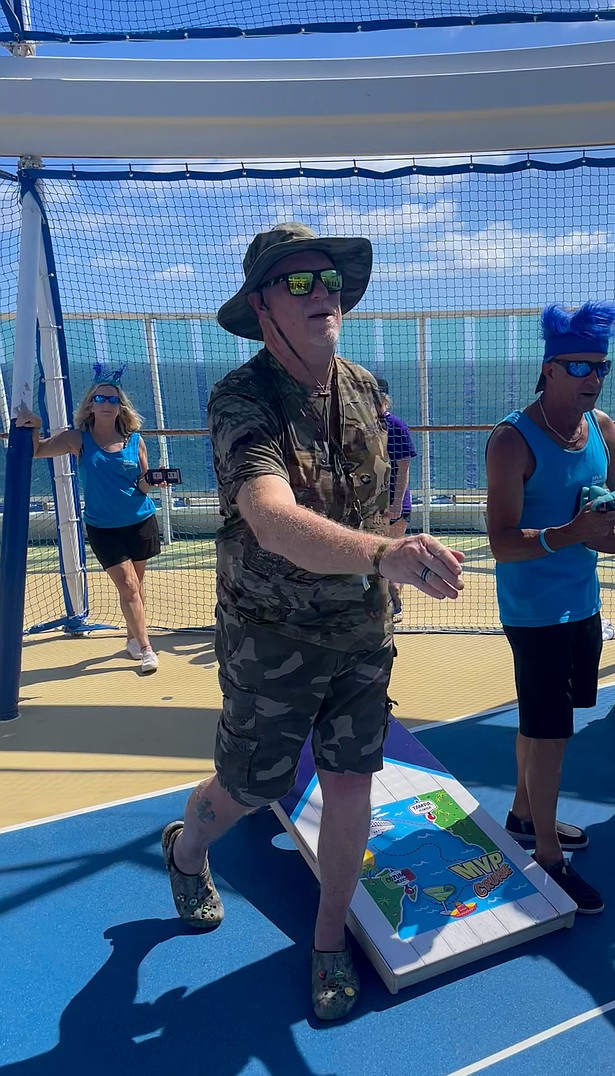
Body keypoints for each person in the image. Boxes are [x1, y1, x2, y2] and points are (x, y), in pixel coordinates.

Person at [159, 222, 464, 1022]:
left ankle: (329, 940)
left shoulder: (367, 388)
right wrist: (384, 554)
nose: (321, 292)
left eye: (327, 278)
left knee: (351, 781)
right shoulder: (240, 400)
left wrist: (402, 545)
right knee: (250, 787)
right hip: (273, 636)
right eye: (297, 283)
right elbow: (267, 515)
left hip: (363, 632)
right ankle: (187, 848)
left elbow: (381, 496)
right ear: (261, 306)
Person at [486, 301, 615, 914]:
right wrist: (569, 533)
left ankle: (524, 815)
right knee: (552, 735)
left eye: (599, 365)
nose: (591, 377)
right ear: (548, 369)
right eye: (577, 365)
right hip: (532, 612)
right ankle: (548, 856)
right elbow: (500, 540)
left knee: (545, 722)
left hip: (584, 603)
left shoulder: (601, 427)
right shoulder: (512, 440)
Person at [17, 365, 162, 674]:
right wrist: (35, 426)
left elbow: (141, 482)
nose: (107, 404)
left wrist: (153, 483)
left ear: (120, 406)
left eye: (112, 399)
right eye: (100, 399)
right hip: (103, 528)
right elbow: (38, 451)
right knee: (129, 587)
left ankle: (133, 638)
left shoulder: (135, 440)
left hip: (140, 520)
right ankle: (148, 649)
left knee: (136, 585)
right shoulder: (77, 439)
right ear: (90, 405)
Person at [375, 376, 417, 622]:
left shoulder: (396, 426)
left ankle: (396, 603)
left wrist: (397, 504)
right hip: (371, 505)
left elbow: (403, 466)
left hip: (393, 504)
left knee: (391, 552)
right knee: (376, 556)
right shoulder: (363, 427)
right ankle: (382, 605)